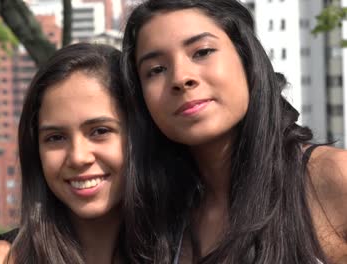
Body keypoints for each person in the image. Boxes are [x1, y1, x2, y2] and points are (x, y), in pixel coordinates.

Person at [121, 0, 347, 263]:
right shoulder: (154, 218)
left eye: (202, 52)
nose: (181, 78)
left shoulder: (330, 178)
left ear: (246, 57)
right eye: (156, 69)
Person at [0, 43, 134, 264]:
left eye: (100, 131)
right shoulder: (0, 261)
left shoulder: (185, 249)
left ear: (137, 135)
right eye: (55, 137)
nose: (77, 157)